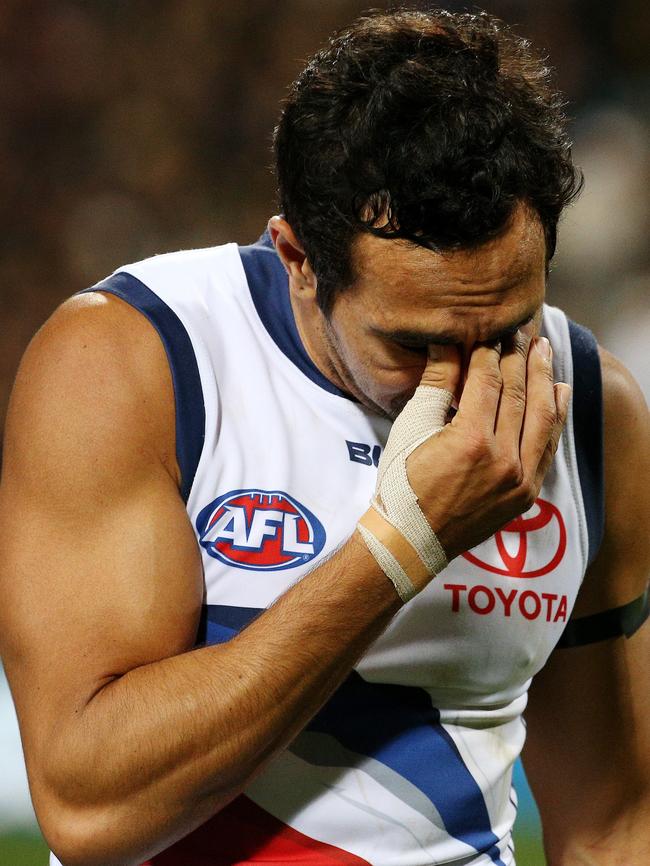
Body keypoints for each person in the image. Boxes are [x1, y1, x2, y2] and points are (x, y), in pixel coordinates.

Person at [0, 8, 648, 866]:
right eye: (413, 345)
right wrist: (403, 545)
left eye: (505, 332)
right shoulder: (137, 364)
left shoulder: (594, 415)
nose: (465, 380)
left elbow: (610, 823)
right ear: (300, 260)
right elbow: (91, 812)